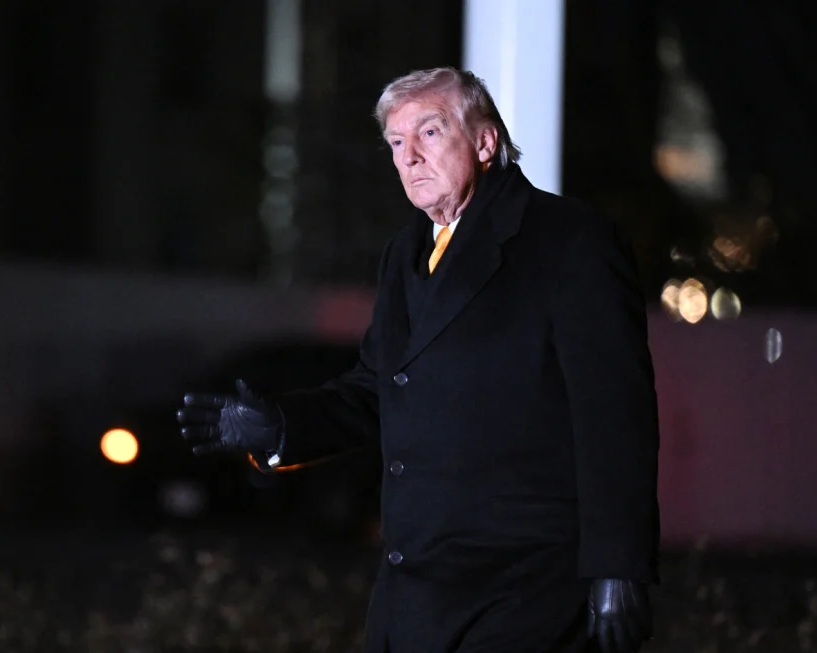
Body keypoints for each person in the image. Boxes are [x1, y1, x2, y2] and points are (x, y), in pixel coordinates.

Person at [177, 67, 659, 653]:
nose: (409, 157)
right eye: (396, 144)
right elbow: (378, 388)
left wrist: (617, 568)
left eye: (428, 134)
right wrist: (283, 426)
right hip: (415, 589)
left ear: (485, 143)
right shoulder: (405, 252)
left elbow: (615, 416)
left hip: (527, 588)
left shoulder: (569, 240)